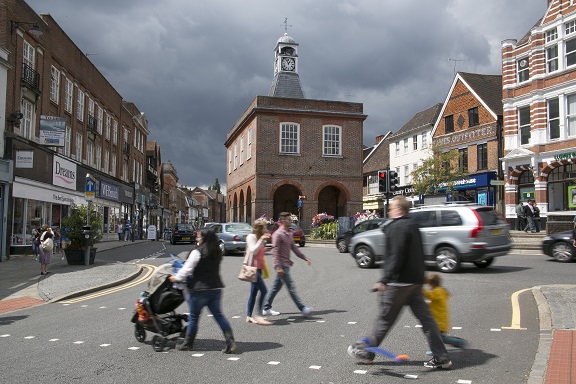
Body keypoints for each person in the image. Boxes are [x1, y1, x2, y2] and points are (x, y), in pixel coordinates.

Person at [348, 195, 452, 369]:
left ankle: (367, 352)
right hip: (415, 283)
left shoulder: (397, 227)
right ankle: (442, 357)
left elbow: (396, 255)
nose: (389, 211)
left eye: (391, 208)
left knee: (384, 320)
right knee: (428, 321)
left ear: (399, 210)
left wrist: (384, 279)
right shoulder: (414, 226)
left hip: (398, 284)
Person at [168, 229, 236, 353]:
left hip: (199, 290)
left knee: (194, 317)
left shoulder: (197, 252)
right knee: (219, 316)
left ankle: (188, 343)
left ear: (204, 238)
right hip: (215, 289)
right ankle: (230, 341)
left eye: (199, 237)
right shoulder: (217, 251)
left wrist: (175, 278)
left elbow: (187, 270)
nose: (197, 239)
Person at [262, 212, 312, 317]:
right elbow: (275, 252)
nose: (291, 221)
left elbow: (294, 248)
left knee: (275, 287)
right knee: (291, 287)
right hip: (282, 266)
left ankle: (266, 307)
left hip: (285, 265)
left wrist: (304, 257)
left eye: (291, 219)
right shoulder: (277, 235)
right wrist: (278, 266)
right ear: (283, 220)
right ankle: (303, 308)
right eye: (289, 219)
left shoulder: (288, 233)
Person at [423, 273, 467, 351]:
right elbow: (435, 301)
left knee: (437, 337)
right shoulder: (441, 291)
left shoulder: (437, 291)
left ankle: (457, 342)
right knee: (438, 337)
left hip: (438, 321)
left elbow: (430, 295)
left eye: (428, 284)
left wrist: (420, 289)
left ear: (431, 284)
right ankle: (437, 348)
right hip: (441, 321)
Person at [245, 220, 272, 326]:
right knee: (264, 291)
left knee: (253, 293)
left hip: (259, 268)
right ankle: (259, 315)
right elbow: (253, 251)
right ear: (259, 228)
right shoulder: (251, 237)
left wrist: (265, 250)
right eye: (264, 228)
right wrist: (261, 239)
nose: (266, 230)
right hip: (253, 269)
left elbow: (258, 252)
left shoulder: (258, 238)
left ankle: (249, 316)